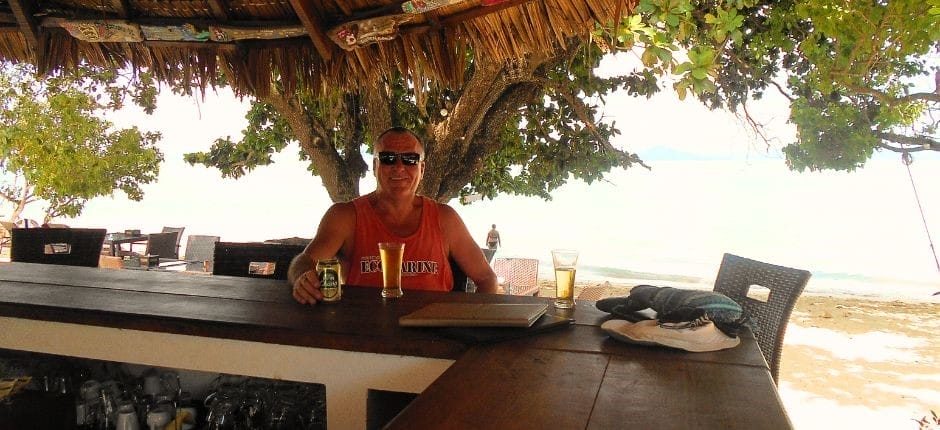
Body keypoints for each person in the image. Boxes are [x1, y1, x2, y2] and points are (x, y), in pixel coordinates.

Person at [289, 127, 499, 304]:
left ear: (422, 168)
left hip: (434, 339)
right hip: (367, 337)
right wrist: (302, 278)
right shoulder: (345, 216)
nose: (399, 167)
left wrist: (473, 327)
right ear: (374, 166)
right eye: (388, 158)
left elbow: (486, 279)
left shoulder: (445, 219)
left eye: (410, 159)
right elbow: (304, 260)